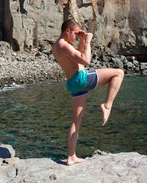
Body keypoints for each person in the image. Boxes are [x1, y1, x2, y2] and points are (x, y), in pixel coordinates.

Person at [51, 19, 124, 166]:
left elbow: (76, 55)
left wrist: (82, 41)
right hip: (81, 79)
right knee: (119, 73)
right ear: (67, 31)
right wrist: (88, 42)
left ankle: (71, 156)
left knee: (76, 121)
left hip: (73, 84)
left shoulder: (57, 46)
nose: (77, 36)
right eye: (76, 34)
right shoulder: (65, 45)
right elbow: (85, 60)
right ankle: (107, 105)